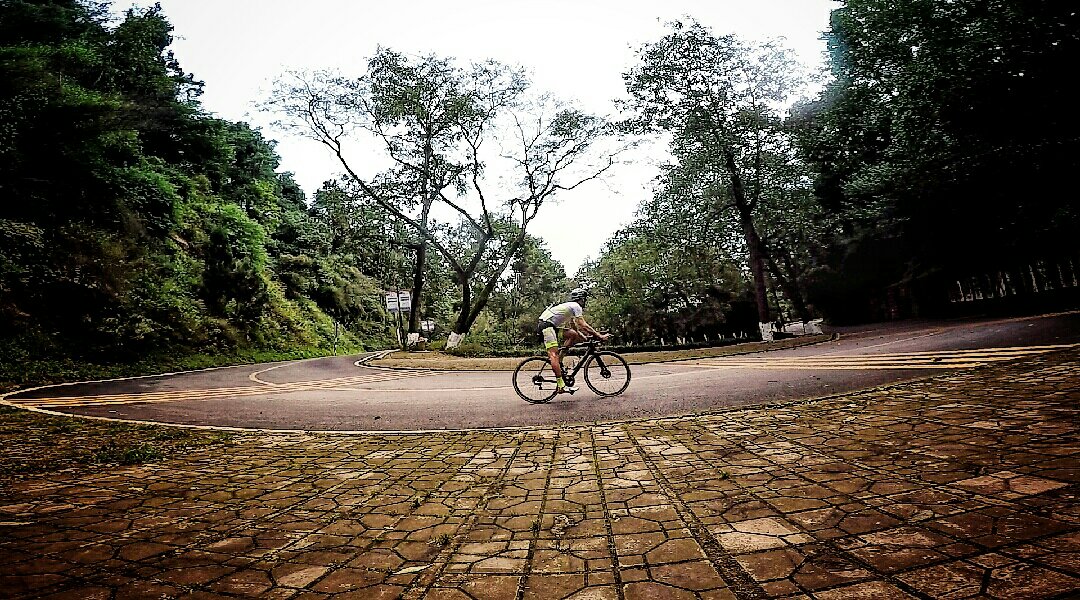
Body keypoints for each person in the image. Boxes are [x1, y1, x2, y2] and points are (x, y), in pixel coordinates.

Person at [536, 288, 609, 394]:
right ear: (581, 299)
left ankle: (560, 360)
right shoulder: (576, 306)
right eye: (584, 299)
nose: (585, 301)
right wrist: (599, 336)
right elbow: (583, 325)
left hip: (550, 326)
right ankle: (561, 386)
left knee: (573, 335)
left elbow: (574, 328)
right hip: (546, 327)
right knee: (553, 355)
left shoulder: (570, 307)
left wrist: (584, 338)